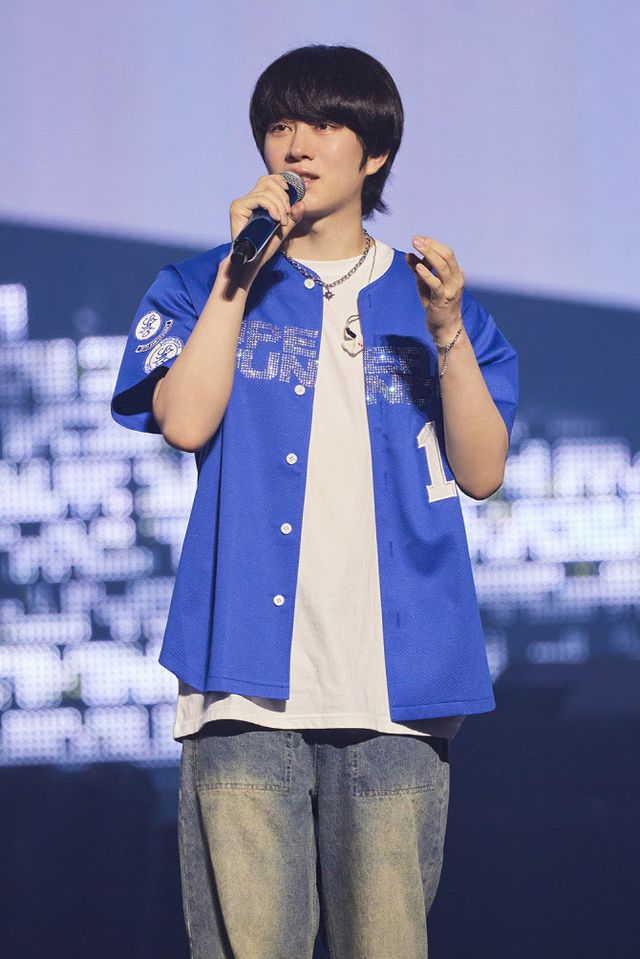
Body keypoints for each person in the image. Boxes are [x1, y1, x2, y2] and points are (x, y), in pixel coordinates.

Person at [111, 43, 518, 959]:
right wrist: (236, 275)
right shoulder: (199, 283)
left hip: (396, 688)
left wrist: (449, 333)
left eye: (325, 125)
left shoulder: (431, 299)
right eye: (280, 124)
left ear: (375, 152)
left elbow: (484, 470)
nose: (295, 145)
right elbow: (183, 419)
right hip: (241, 681)